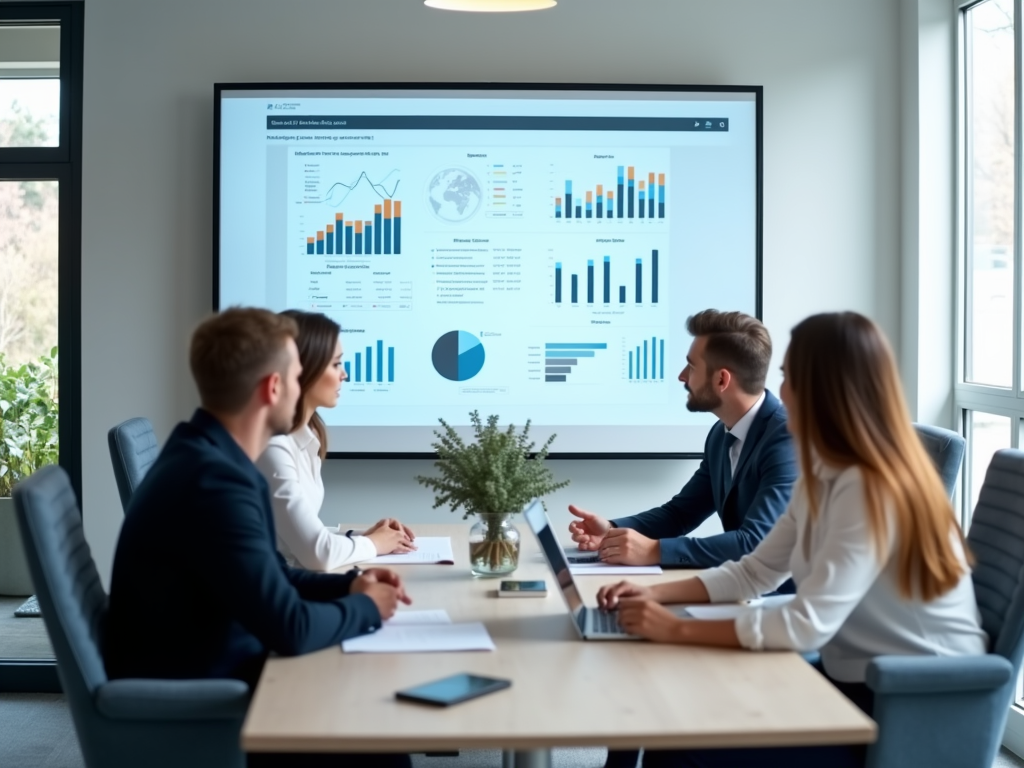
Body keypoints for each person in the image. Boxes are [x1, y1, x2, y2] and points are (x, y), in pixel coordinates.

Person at [596, 312, 988, 768]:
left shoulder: (869, 485)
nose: (780, 393)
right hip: (857, 677)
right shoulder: (826, 470)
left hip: (910, 708)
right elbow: (758, 571)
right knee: (679, 709)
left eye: (787, 377)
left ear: (823, 391)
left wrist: (674, 627)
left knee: (683, 742)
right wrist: (650, 594)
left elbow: (807, 625)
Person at [105, 308, 412, 768]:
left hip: (217, 666)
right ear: (273, 388)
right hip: (211, 703)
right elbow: (290, 629)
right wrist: (368, 607)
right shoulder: (216, 484)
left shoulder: (204, 456)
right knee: (379, 740)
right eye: (296, 373)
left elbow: (272, 576)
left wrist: (347, 586)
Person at [569, 309, 797, 569]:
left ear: (722, 379)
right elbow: (681, 513)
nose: (682, 376)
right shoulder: (721, 435)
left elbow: (755, 543)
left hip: (785, 599)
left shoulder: (786, 440)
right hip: (743, 590)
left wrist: (655, 550)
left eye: (691, 366)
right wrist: (612, 531)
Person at [257, 310, 415, 571]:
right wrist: (374, 544)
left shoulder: (305, 437)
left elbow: (299, 541)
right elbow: (317, 555)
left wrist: (362, 538)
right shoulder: (273, 447)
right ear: (302, 370)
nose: (345, 375)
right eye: (335, 364)